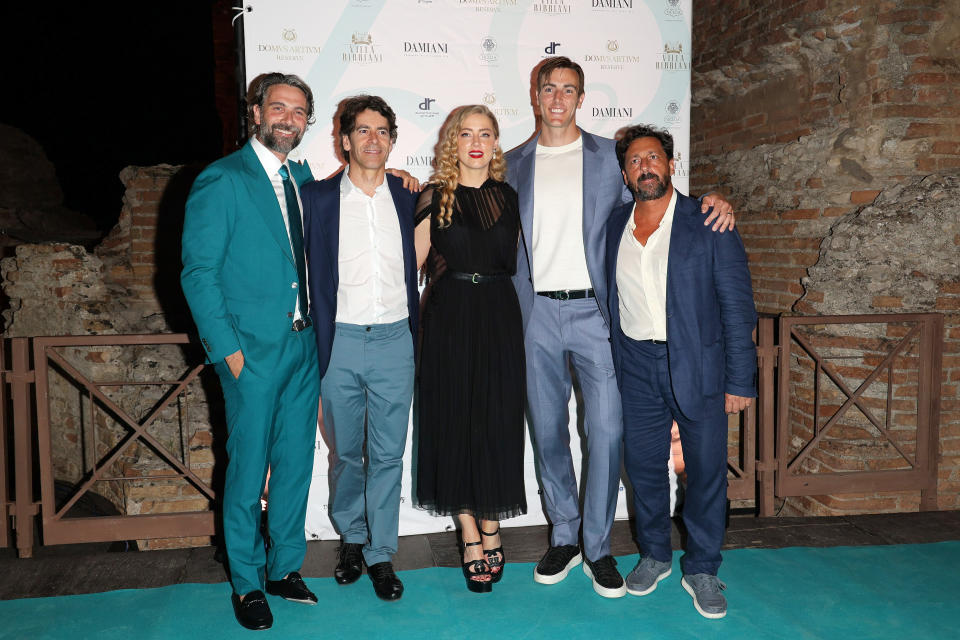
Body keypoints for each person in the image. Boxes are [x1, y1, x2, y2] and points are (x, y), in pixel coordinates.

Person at [505, 56, 735, 598]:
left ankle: (598, 546)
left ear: (581, 98)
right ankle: (564, 533)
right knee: (546, 432)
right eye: (549, 88)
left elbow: (658, 199)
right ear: (535, 95)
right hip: (535, 311)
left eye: (569, 89)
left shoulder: (610, 159)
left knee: (607, 434)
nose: (558, 98)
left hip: (597, 315)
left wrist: (714, 201)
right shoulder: (511, 162)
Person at [181, 72, 320, 630]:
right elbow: (199, 274)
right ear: (256, 112)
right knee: (248, 470)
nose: (288, 119)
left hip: (304, 347)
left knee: (295, 463)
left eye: (299, 111)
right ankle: (246, 580)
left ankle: (284, 568)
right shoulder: (222, 179)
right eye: (278, 108)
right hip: (251, 354)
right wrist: (229, 354)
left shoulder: (304, 179)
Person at [604, 125, 757, 619]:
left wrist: (740, 380)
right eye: (634, 160)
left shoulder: (709, 220)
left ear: (670, 165)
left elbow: (737, 306)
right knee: (645, 468)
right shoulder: (613, 225)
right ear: (625, 173)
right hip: (636, 364)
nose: (644, 166)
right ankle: (654, 555)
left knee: (707, 471)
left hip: (698, 362)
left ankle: (704, 568)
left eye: (653, 158)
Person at [300, 95, 420, 602]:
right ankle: (351, 537)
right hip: (340, 341)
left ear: (392, 140)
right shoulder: (316, 199)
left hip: (396, 339)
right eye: (363, 131)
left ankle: (381, 554)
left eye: (383, 131)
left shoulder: (412, 195)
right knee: (347, 453)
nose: (374, 140)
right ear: (344, 140)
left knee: (389, 454)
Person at [414, 105, 526, 593]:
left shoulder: (510, 196)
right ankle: (468, 533)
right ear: (451, 142)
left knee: (496, 419)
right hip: (449, 314)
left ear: (497, 143)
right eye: (466, 133)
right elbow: (411, 266)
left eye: (485, 133)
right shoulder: (432, 196)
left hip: (500, 313)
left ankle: (493, 523)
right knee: (454, 419)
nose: (476, 141)